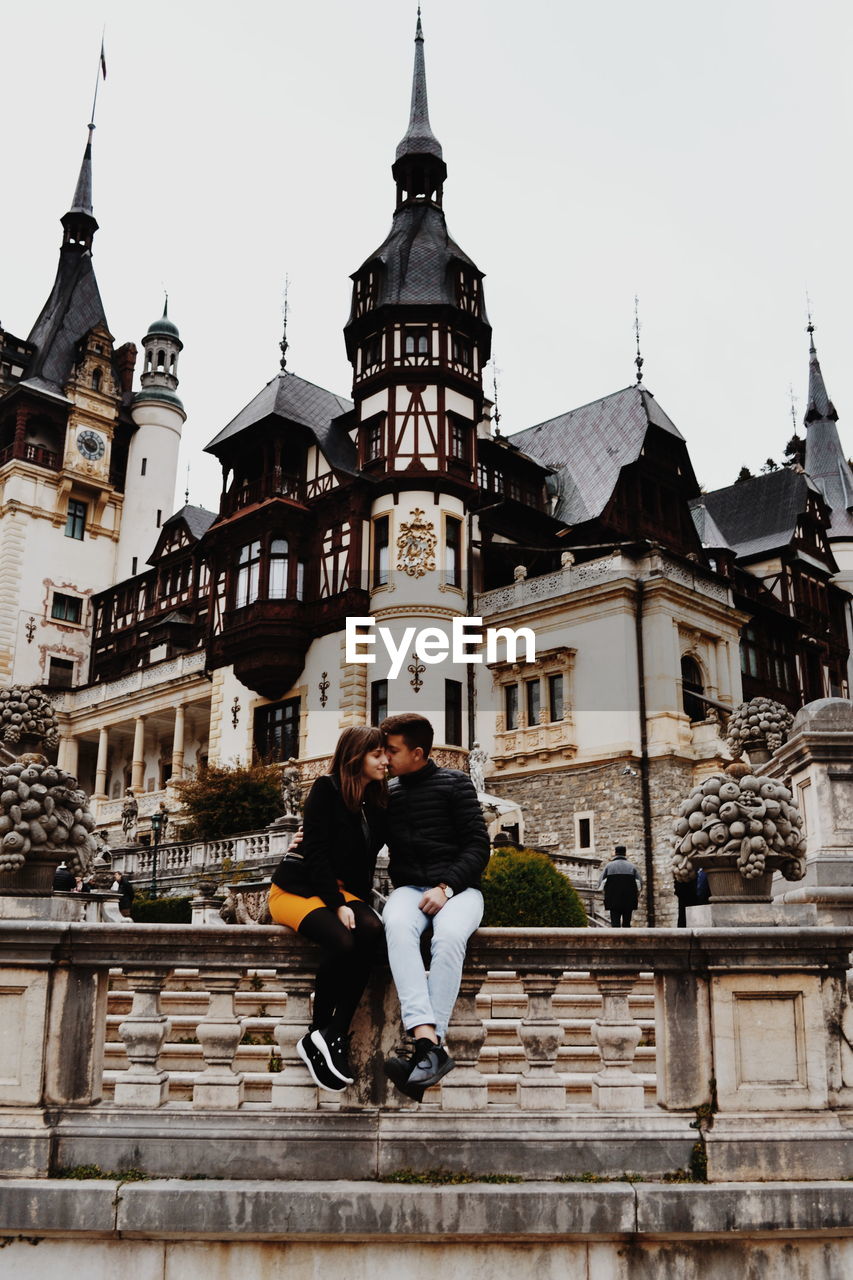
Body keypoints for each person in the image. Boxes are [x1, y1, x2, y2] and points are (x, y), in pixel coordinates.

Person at [267, 727, 388, 1093]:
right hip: (297, 889)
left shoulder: (378, 801)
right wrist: (336, 906)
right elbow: (316, 855)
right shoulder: (326, 789)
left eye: (386, 753)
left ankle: (335, 1033)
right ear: (356, 757)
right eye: (377, 754)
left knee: (371, 931)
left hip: (342, 891)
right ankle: (317, 1031)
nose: (385, 760)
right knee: (342, 940)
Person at [379, 712, 490, 1101]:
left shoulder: (456, 784)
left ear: (418, 752)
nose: (385, 757)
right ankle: (429, 1047)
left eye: (392, 750)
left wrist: (446, 887)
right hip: (409, 888)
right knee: (396, 925)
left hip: (459, 890)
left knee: (449, 936)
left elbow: (479, 847)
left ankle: (427, 1047)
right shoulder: (386, 792)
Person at [598, 845, 643, 927]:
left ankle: (616, 940)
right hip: (629, 900)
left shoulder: (608, 866)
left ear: (615, 853)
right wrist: (636, 895)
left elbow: (600, 884)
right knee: (627, 923)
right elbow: (639, 884)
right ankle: (627, 939)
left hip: (613, 900)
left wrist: (606, 894)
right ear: (625, 853)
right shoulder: (632, 867)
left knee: (615, 924)